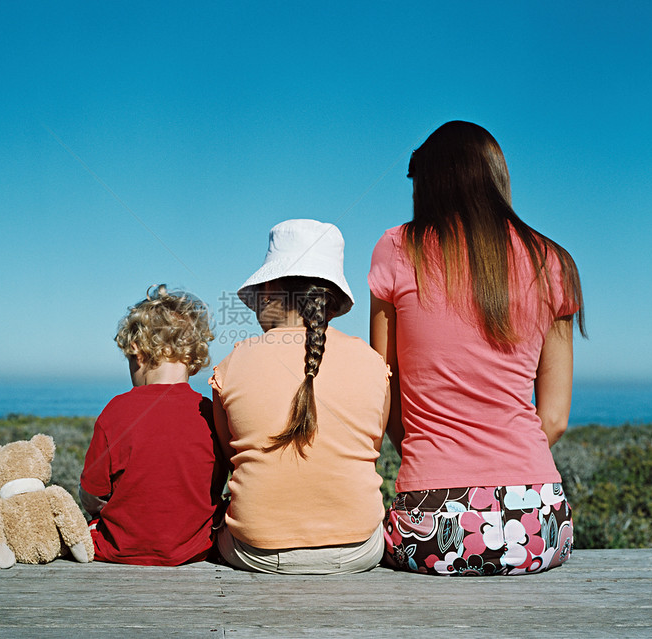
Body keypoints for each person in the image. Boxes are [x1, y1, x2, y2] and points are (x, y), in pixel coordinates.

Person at [368, 121, 586, 576]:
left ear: (431, 183)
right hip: (540, 528)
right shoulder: (555, 262)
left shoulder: (395, 247)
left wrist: (438, 459)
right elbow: (555, 418)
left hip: (428, 528)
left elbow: (383, 395)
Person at [210, 219, 391, 575]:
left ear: (272, 288)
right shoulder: (372, 363)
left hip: (256, 551)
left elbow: (230, 456)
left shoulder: (233, 364)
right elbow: (370, 447)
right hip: (358, 549)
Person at [79, 285, 226, 566]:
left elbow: (92, 493)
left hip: (119, 550)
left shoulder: (117, 410)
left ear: (136, 350)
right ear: (193, 356)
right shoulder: (210, 412)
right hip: (196, 550)